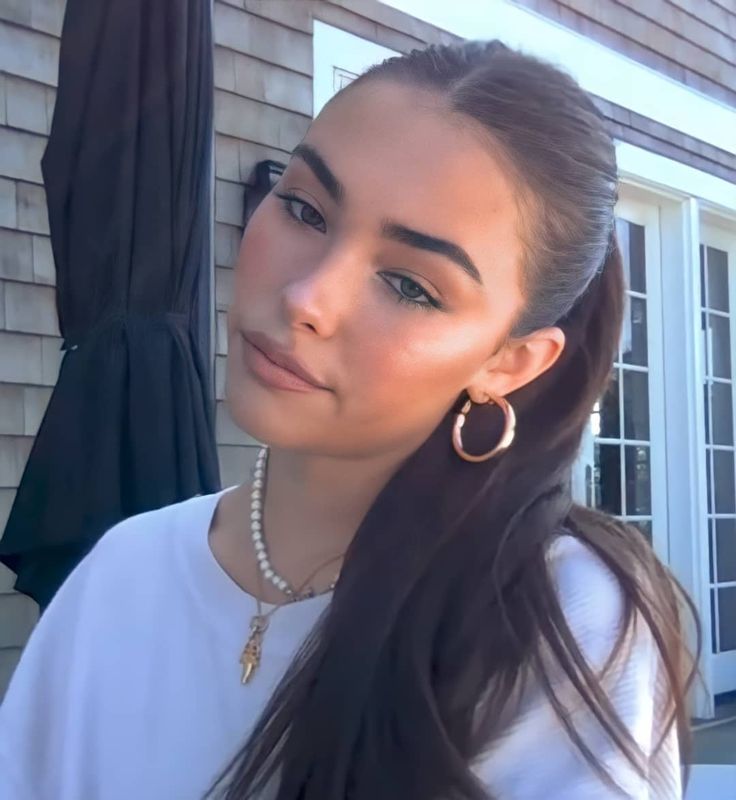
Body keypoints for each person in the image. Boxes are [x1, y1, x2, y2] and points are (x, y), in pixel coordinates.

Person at [0, 39, 698, 800]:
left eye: (410, 285)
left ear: (511, 361)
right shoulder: (119, 574)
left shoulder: (560, 614)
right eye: (304, 209)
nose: (308, 298)